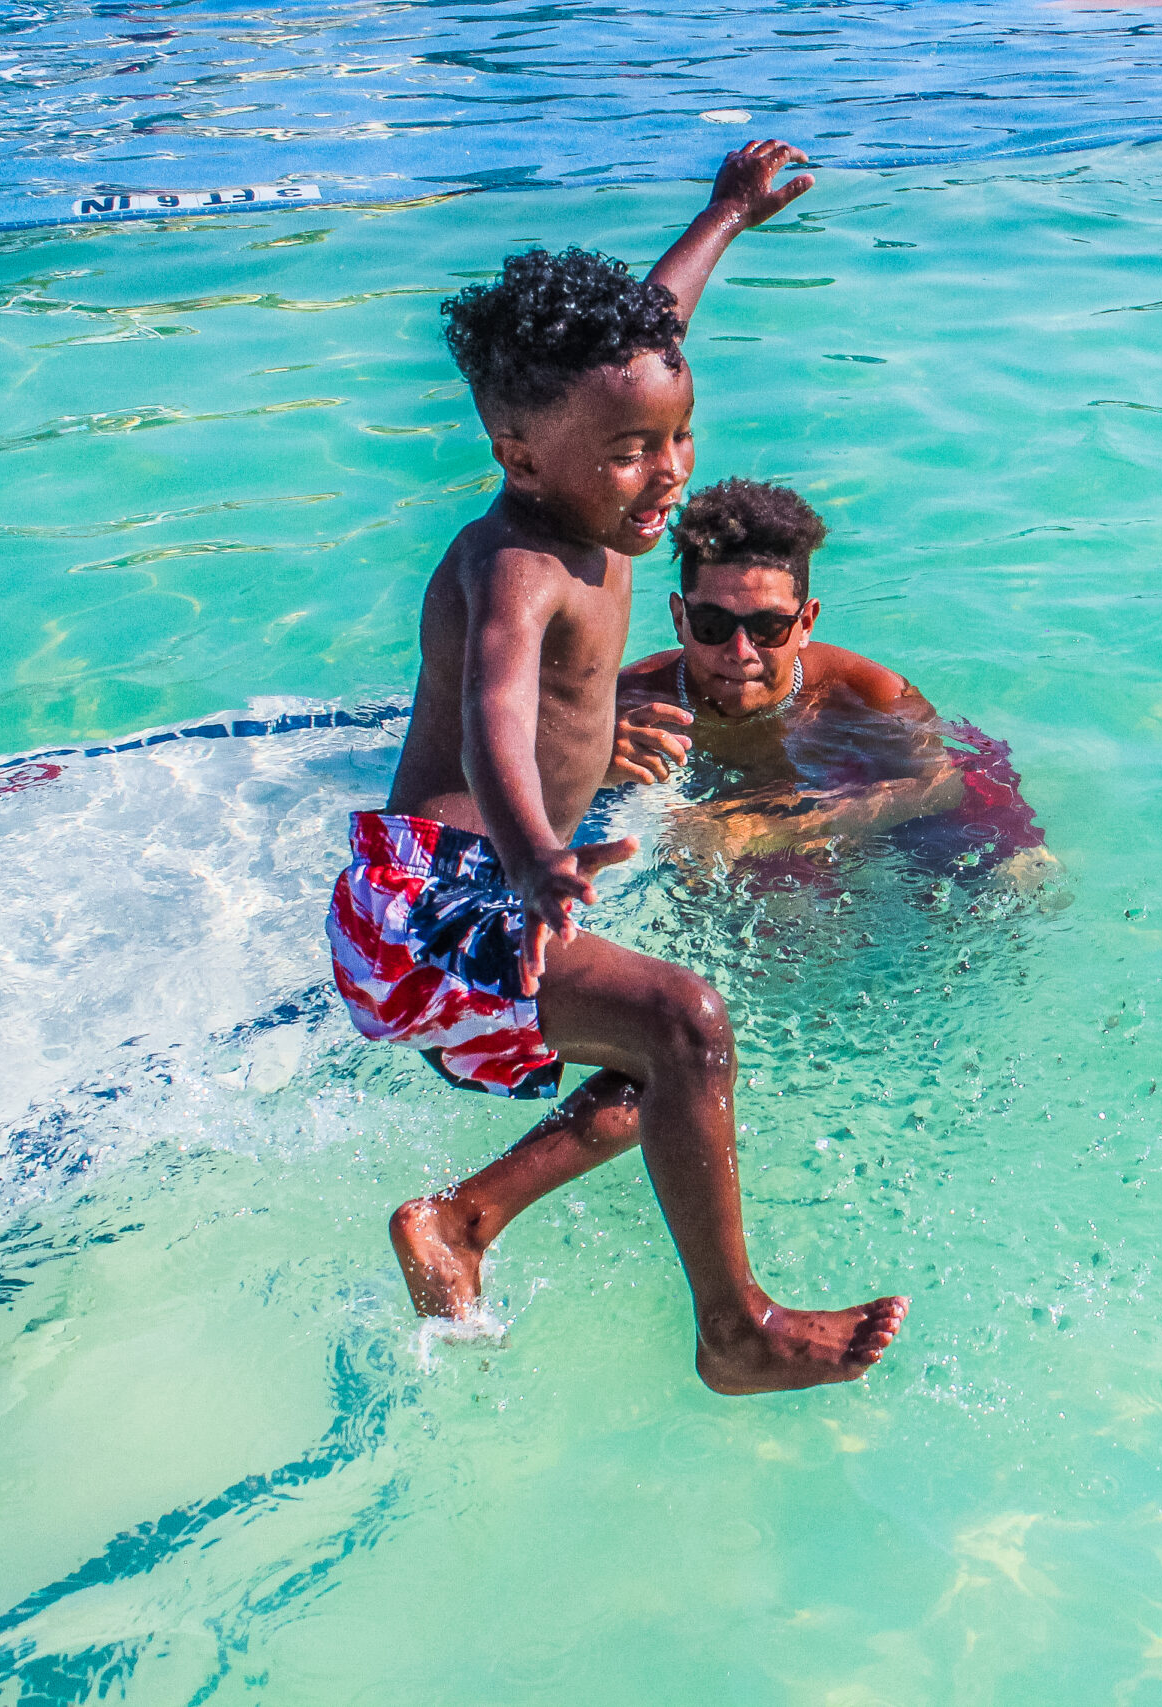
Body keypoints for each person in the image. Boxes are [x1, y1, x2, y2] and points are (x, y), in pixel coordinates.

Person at [325, 141, 910, 1396]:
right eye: (632, 452)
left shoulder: (591, 485)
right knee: (685, 1021)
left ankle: (462, 1220)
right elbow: (490, 709)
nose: (670, 473)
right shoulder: (518, 561)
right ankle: (735, 1329)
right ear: (521, 453)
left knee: (666, 1077)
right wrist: (538, 851)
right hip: (429, 903)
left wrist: (727, 216)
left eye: (678, 435)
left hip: (467, 894)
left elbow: (656, 327)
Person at [602, 478, 1056, 895]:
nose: (740, 651)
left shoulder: (865, 693)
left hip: (860, 787)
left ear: (806, 623)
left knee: (1021, 880)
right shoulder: (627, 705)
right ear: (680, 619)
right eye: (712, 623)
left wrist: (759, 829)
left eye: (768, 627)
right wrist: (593, 764)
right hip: (744, 809)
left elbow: (941, 786)